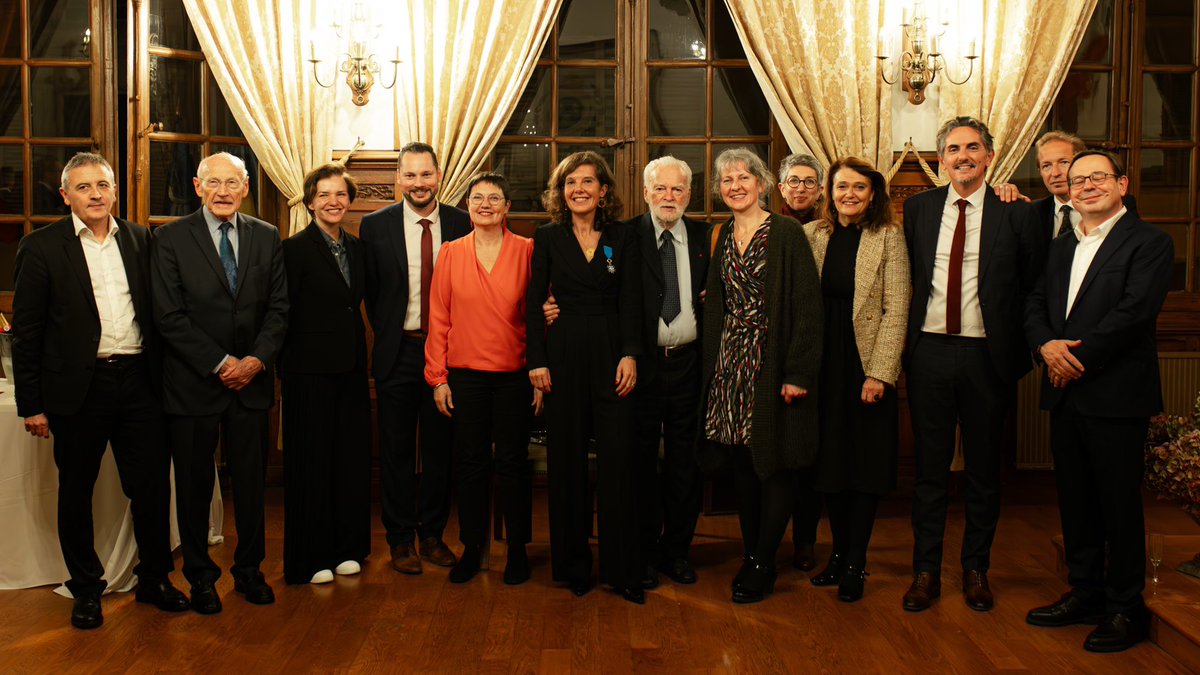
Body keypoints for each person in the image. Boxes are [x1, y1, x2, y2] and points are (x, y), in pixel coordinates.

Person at [12, 152, 187, 629]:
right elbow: (25, 333)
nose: (95, 194)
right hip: (78, 390)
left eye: (102, 185)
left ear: (114, 191)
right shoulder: (41, 246)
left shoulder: (139, 239)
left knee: (150, 487)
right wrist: (33, 404)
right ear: (66, 195)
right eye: (84, 187)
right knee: (77, 492)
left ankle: (154, 579)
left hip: (138, 384)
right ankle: (86, 588)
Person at [1024, 150, 1173, 653]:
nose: (1086, 186)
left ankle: (1124, 607)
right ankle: (1084, 593)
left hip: (1114, 392)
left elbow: (1134, 314)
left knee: (1118, 506)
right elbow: (1036, 304)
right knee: (1076, 501)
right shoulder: (1062, 246)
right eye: (1077, 179)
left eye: (1098, 178)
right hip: (1066, 394)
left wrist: (1071, 359)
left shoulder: (1150, 242)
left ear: (1122, 183)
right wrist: (1046, 346)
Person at [901, 116, 1041, 613]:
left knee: (984, 471)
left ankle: (976, 569)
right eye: (954, 149)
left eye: (973, 148)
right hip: (930, 353)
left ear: (989, 156)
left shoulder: (1017, 214)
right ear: (942, 159)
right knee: (930, 473)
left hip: (988, 355)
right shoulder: (917, 209)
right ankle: (925, 571)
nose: (963, 156)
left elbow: (1030, 288)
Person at [151, 151, 288, 614]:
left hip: (251, 385)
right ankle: (201, 577)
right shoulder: (169, 239)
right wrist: (220, 362)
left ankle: (249, 572)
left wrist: (253, 362)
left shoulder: (267, 236)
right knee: (192, 488)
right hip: (193, 385)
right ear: (197, 186)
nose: (224, 191)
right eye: (214, 182)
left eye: (233, 182)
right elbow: (168, 316)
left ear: (245, 187)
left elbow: (279, 310)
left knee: (252, 486)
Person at [699, 147, 822, 604]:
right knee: (743, 465)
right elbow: (719, 302)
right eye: (726, 179)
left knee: (775, 464)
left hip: (773, 363)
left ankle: (764, 562)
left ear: (762, 183)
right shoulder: (722, 235)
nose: (734, 186)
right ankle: (752, 554)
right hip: (731, 362)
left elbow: (808, 308)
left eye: (743, 177)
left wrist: (797, 372)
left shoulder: (787, 233)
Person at [526, 151, 644, 603]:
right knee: (567, 465)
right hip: (564, 355)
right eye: (570, 182)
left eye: (588, 182)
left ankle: (620, 569)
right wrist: (537, 360)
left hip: (614, 354)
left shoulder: (622, 235)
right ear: (562, 192)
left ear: (604, 191)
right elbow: (534, 303)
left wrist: (631, 353)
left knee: (619, 465)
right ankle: (574, 566)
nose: (579, 189)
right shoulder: (547, 237)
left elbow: (631, 298)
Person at [802, 157, 910, 602]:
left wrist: (880, 373)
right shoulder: (812, 236)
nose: (849, 194)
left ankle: (856, 562)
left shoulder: (888, 237)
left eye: (859, 188)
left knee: (862, 466)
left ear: (873, 194)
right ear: (829, 192)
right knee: (830, 465)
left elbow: (896, 308)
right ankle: (836, 556)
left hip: (864, 366)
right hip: (822, 365)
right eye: (841, 186)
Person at [424, 172, 540, 586]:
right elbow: (438, 318)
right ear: (467, 206)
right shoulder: (451, 252)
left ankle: (517, 550)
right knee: (470, 465)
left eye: (495, 198)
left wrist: (539, 377)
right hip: (465, 377)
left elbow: (542, 316)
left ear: (508, 207)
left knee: (512, 465)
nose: (486, 204)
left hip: (515, 377)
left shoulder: (528, 250)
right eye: (477, 198)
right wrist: (438, 378)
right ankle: (472, 548)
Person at [360, 142, 470, 574]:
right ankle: (401, 539)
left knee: (442, 450)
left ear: (439, 176)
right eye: (410, 175)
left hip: (449, 353)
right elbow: (373, 291)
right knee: (397, 450)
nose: (419, 183)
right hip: (398, 351)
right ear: (398, 180)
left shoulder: (463, 223)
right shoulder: (375, 226)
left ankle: (433, 536)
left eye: (426, 174)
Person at [279, 163, 370, 585]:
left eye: (340, 195)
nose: (333, 202)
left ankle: (347, 548)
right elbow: (282, 313)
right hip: (307, 373)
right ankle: (310, 557)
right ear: (310, 201)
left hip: (350, 369)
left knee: (348, 461)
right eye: (324, 195)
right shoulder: (292, 250)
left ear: (349, 201)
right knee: (311, 464)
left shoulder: (356, 247)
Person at [777, 152, 826, 571]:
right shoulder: (767, 225)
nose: (800, 188)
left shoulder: (832, 229)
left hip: (817, 353)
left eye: (809, 182)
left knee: (809, 455)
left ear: (821, 190)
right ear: (780, 188)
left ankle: (806, 540)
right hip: (774, 356)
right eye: (793, 181)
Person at [1030, 130, 1139, 244]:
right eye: (1046, 166)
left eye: (1064, 162)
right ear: (1040, 172)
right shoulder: (1033, 212)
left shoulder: (1118, 203)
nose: (1055, 173)